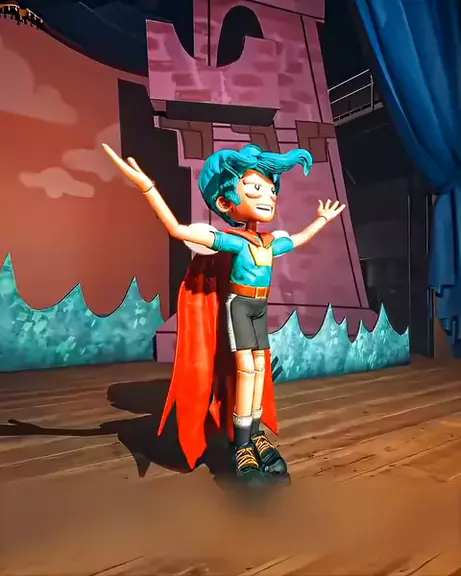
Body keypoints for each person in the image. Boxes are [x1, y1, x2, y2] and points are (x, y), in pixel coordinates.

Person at [103, 143, 345, 485]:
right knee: (247, 371)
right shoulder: (235, 241)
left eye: (272, 190)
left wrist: (321, 219)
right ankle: (242, 444)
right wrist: (147, 187)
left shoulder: (270, 242)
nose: (268, 196)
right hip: (240, 308)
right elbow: (177, 230)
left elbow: (300, 238)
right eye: (256, 187)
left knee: (259, 371)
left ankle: (255, 435)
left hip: (259, 309)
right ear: (225, 201)